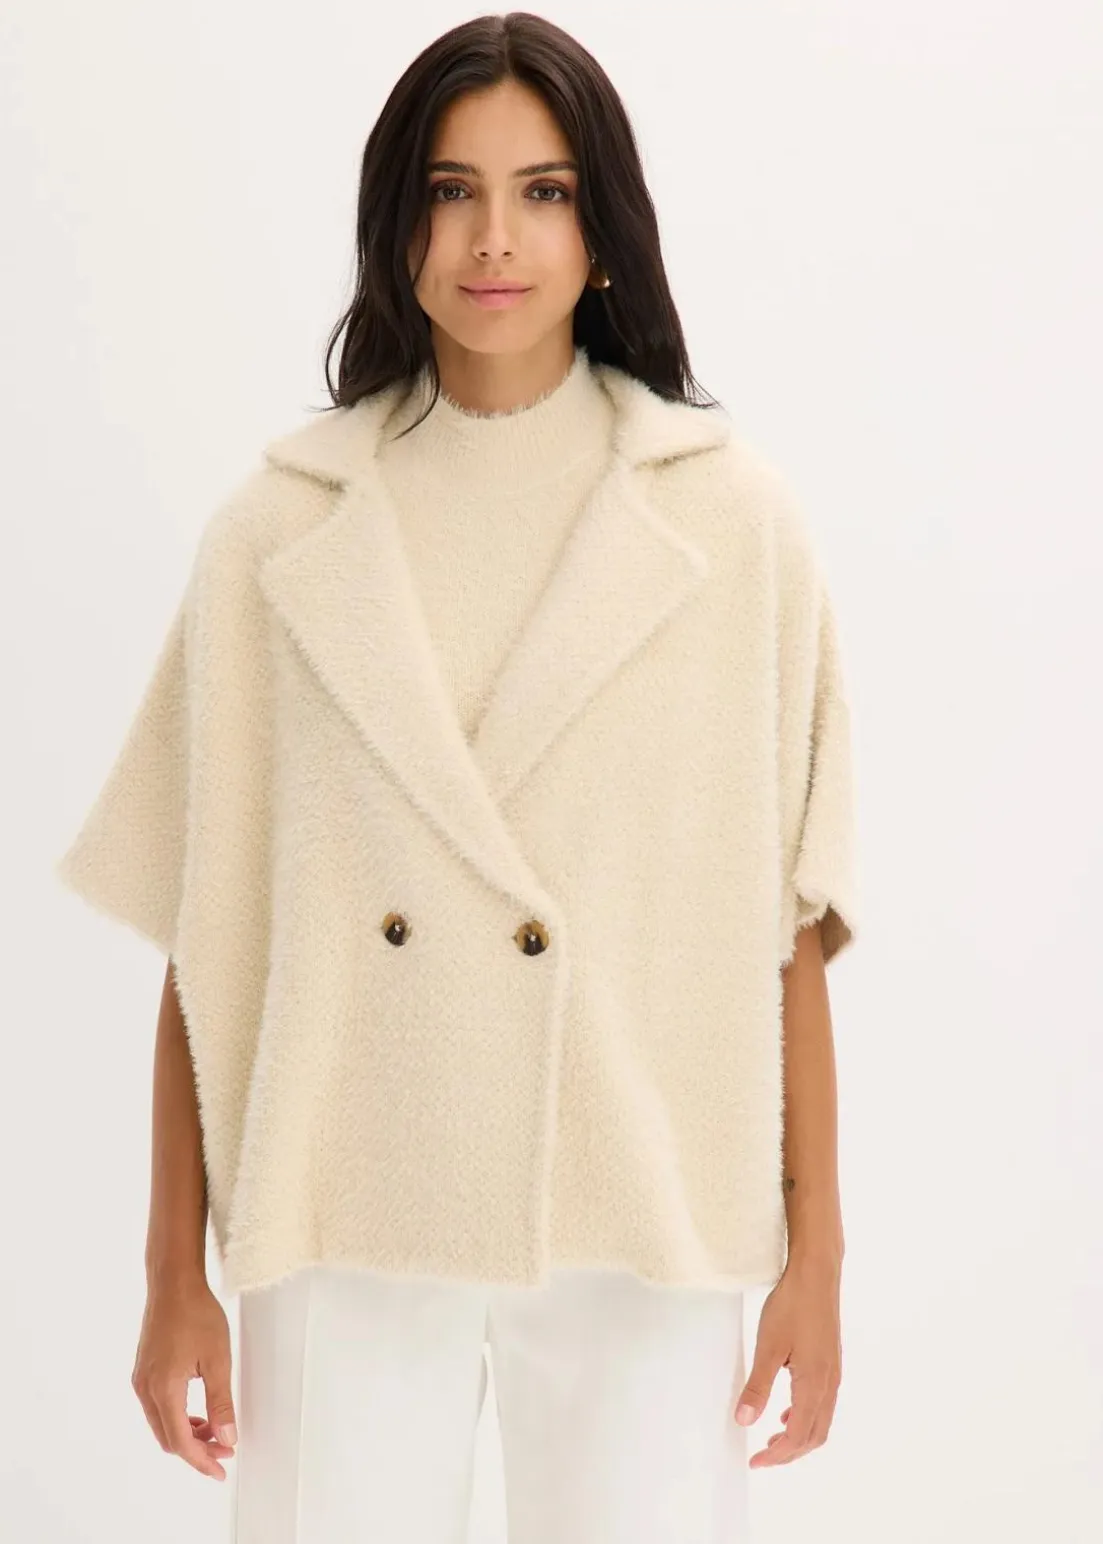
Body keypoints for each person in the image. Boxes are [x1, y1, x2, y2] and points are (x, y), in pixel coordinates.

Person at [56, 13, 860, 1543]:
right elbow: (205, 938)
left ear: (604, 228)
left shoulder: (730, 525)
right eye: (450, 190)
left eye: (544, 192)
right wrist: (173, 1278)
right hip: (341, 1199)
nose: (495, 238)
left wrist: (814, 1265)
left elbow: (790, 932)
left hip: (643, 1206)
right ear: (396, 225)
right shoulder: (279, 528)